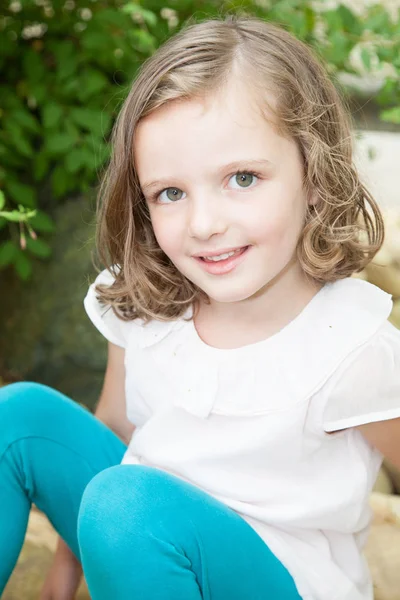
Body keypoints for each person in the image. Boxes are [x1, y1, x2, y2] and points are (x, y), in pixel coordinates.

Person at [1, 14, 400, 600]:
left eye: (242, 178)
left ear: (314, 174)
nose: (205, 224)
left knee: (126, 505)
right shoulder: (145, 303)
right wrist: (62, 581)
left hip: (278, 580)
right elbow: (115, 436)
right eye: (171, 193)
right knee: (19, 417)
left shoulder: (348, 346)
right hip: (136, 529)